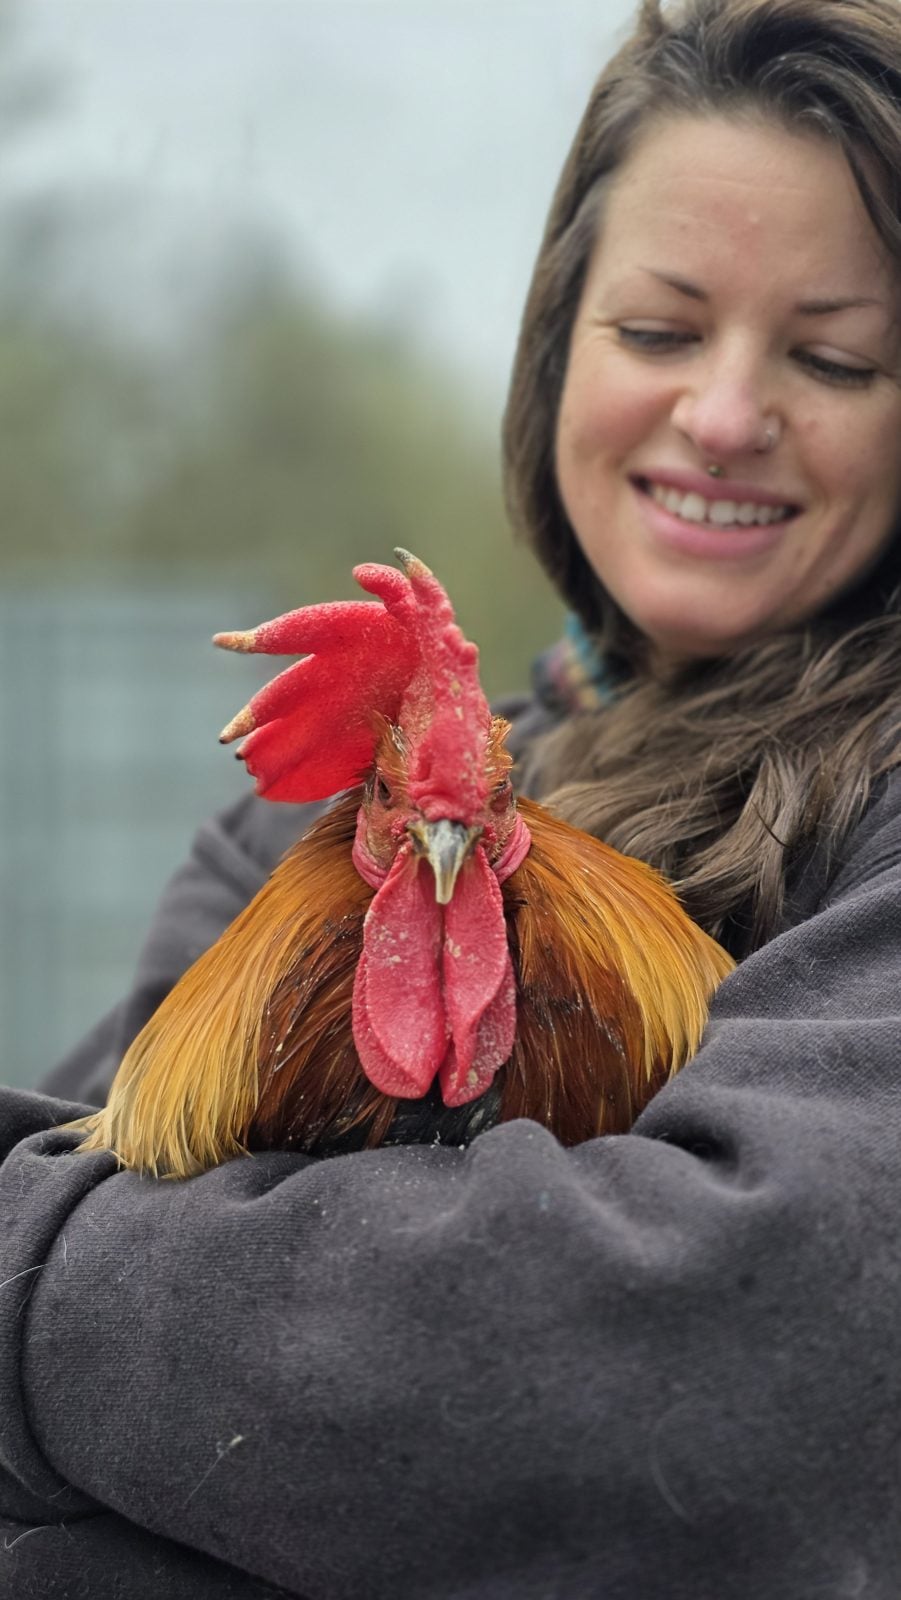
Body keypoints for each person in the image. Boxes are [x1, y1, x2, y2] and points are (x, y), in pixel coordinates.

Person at [5, 0, 901, 1592]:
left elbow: (735, 1360)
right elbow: (69, 1149)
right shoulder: (304, 848)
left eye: (829, 355)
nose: (720, 416)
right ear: (557, 344)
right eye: (657, 330)